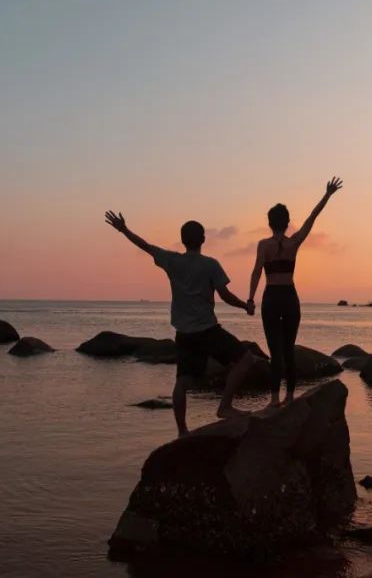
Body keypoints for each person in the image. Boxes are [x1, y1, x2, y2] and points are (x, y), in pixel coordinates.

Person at [105, 210, 256, 436]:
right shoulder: (210, 265)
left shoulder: (172, 260)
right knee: (245, 360)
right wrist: (246, 306)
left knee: (182, 382)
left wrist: (124, 229)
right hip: (207, 330)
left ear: (183, 240)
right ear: (203, 239)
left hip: (184, 333)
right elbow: (224, 295)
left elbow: (145, 246)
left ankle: (182, 431)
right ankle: (224, 407)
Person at [248, 177, 343, 407]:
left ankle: (273, 399)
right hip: (289, 297)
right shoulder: (294, 242)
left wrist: (250, 299)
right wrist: (327, 195)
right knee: (288, 349)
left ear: (270, 223)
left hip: (271, 297)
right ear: (288, 223)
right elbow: (312, 217)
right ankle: (289, 397)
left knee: (275, 351)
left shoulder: (263, 245)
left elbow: (256, 272)